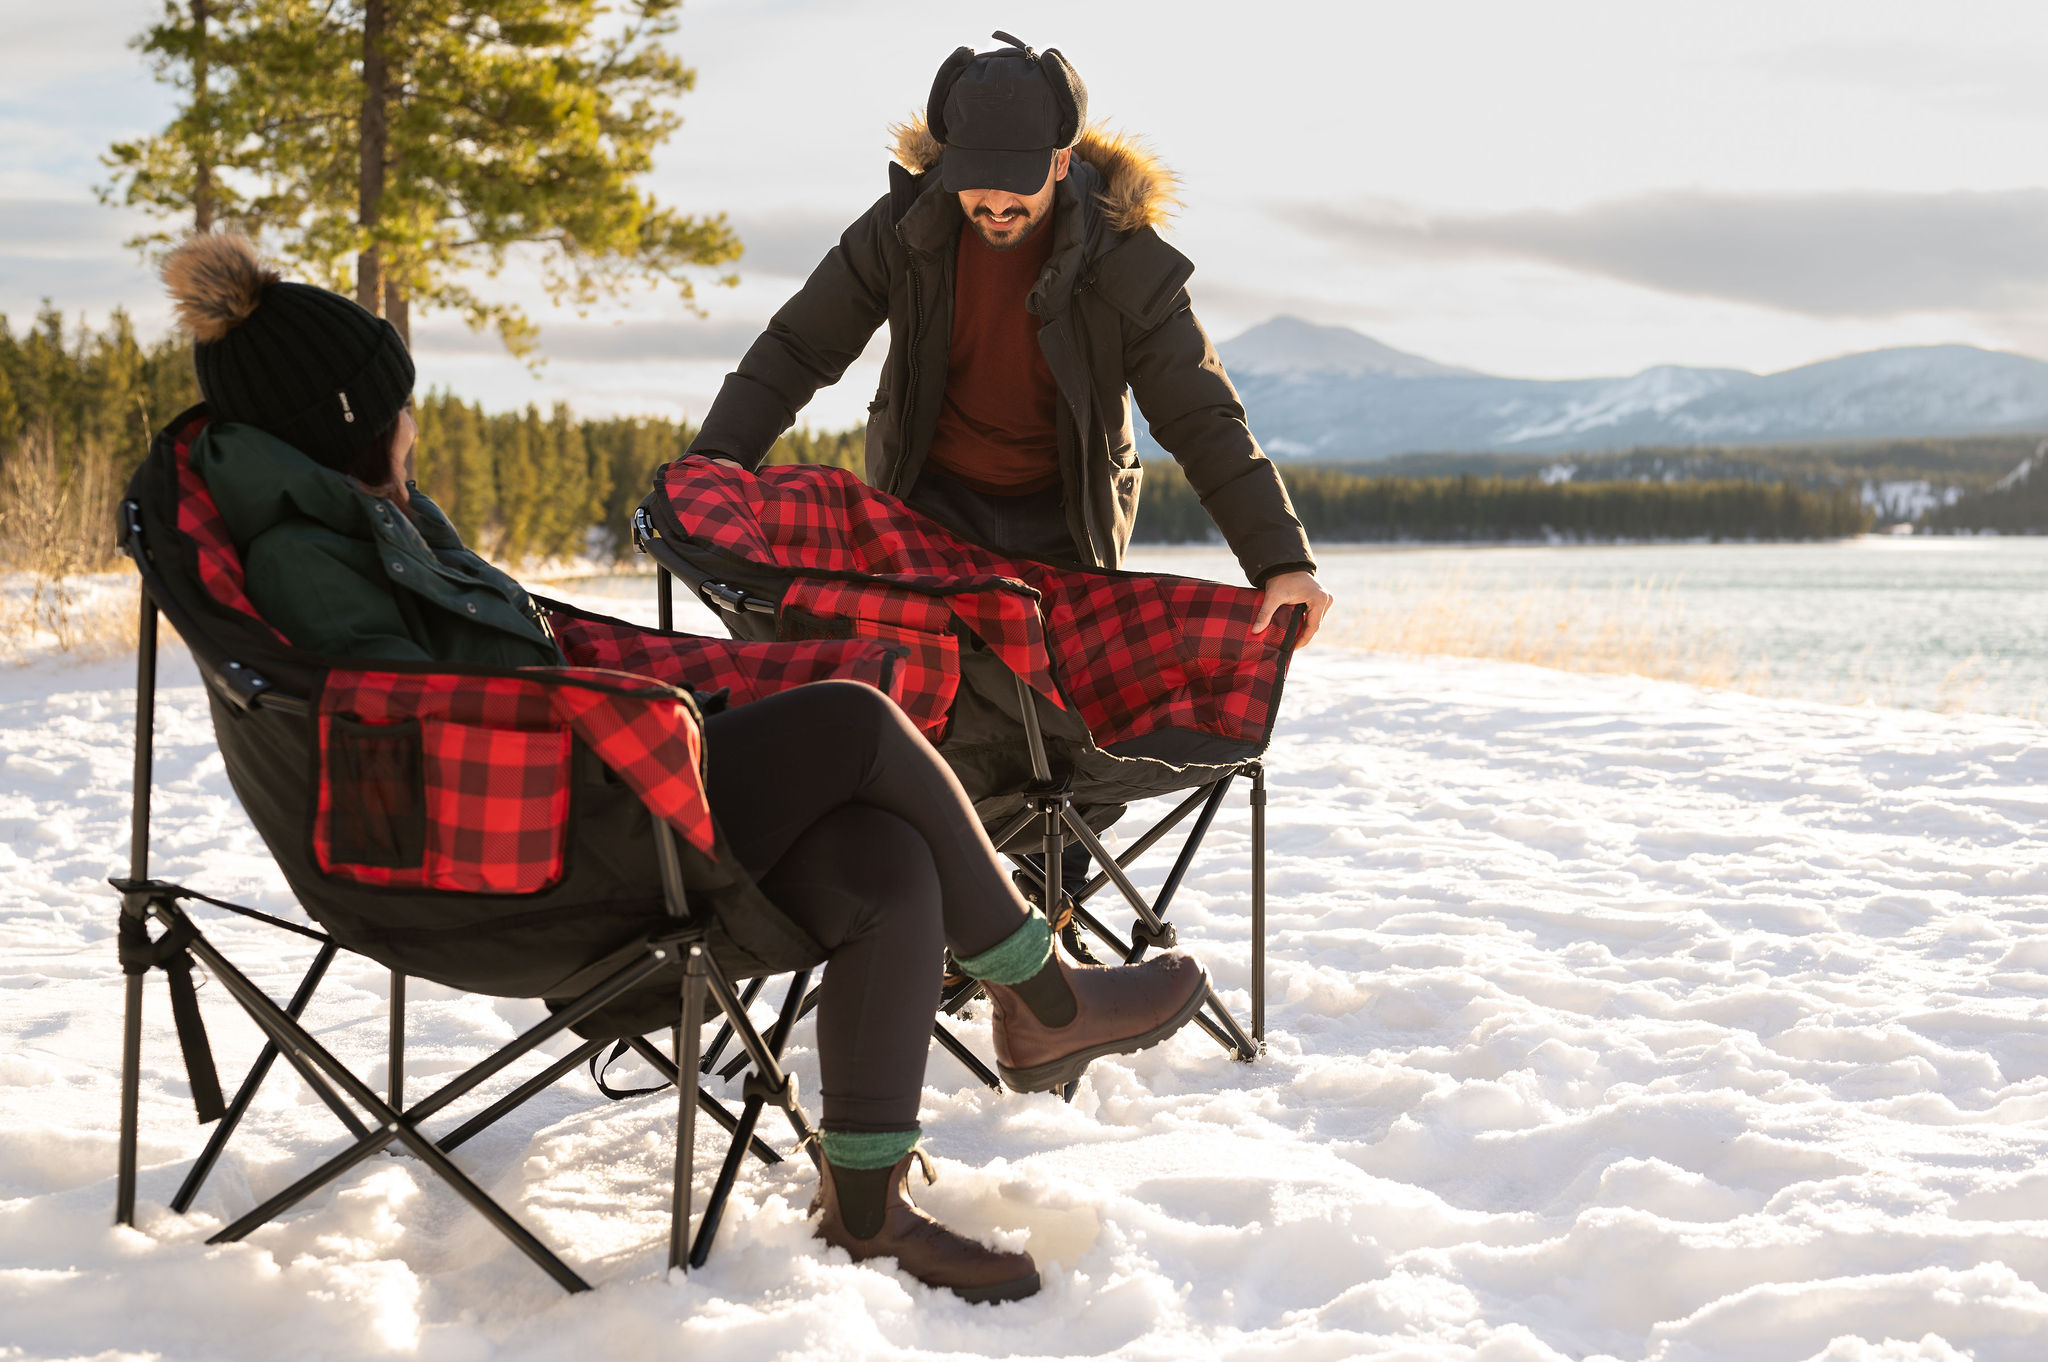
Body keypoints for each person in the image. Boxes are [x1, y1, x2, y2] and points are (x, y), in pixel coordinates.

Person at [162, 230, 1218, 1304]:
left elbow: (487, 667)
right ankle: (1043, 998)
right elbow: (408, 728)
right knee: (854, 721)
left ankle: (867, 1212)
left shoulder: (366, 523)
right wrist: (626, 718)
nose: (413, 424)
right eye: (396, 405)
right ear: (344, 425)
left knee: (881, 859)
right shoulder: (310, 556)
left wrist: (647, 707)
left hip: (580, 805)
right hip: (539, 856)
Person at [688, 32, 1335, 893]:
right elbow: (799, 345)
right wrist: (713, 464)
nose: (991, 203)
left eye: (1014, 181)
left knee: (1056, 749)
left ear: (1062, 159)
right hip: (925, 511)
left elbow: (1203, 416)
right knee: (927, 722)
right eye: (970, 179)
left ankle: (1045, 937)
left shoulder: (1125, 262)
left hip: (1061, 521)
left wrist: (1281, 561)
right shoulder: (905, 230)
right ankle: (926, 903)